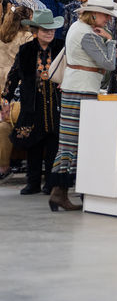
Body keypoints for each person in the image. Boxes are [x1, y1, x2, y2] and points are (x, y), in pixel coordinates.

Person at [52, 0, 117, 211]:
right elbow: (109, 63)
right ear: (93, 14)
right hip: (83, 90)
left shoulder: (77, 28)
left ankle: (60, 192)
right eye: (105, 16)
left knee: (69, 141)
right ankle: (64, 192)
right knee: (78, 142)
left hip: (75, 87)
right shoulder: (88, 34)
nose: (108, 20)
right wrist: (110, 40)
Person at [2, 10, 64, 195]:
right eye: (45, 30)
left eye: (52, 30)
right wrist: (6, 97)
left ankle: (50, 183)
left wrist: (66, 82)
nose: (49, 33)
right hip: (33, 104)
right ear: (36, 31)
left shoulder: (61, 47)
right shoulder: (26, 50)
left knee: (54, 145)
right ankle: (33, 182)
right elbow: (14, 75)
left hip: (55, 103)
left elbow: (70, 69)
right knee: (33, 144)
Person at [0, 5, 33, 181]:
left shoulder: (2, 36)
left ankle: (4, 165)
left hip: (1, 86)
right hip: (16, 88)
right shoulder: (27, 37)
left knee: (3, 124)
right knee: (11, 123)